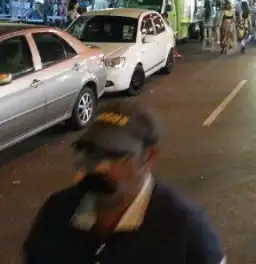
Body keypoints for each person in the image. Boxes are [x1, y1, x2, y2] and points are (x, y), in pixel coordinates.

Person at [23, 102, 226, 263]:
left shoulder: (187, 230)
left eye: (115, 156)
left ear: (149, 157)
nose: (99, 167)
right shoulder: (57, 212)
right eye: (92, 153)